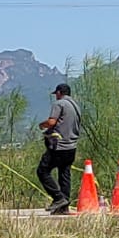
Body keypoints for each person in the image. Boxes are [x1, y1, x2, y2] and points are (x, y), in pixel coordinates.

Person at [36, 83, 81, 215]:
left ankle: (58, 198)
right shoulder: (76, 106)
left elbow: (51, 122)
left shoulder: (60, 104)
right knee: (64, 174)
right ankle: (64, 207)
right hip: (71, 146)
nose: (56, 96)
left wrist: (42, 125)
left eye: (56, 93)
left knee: (42, 171)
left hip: (59, 146)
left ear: (60, 93)